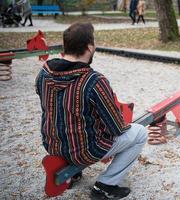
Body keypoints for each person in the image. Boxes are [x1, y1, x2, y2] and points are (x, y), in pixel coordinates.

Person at [35, 22, 148, 199]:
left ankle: (73, 172)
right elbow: (117, 127)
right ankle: (105, 185)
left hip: (52, 145)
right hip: (84, 150)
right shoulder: (93, 81)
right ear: (89, 47)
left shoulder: (44, 73)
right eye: (93, 44)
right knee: (140, 133)